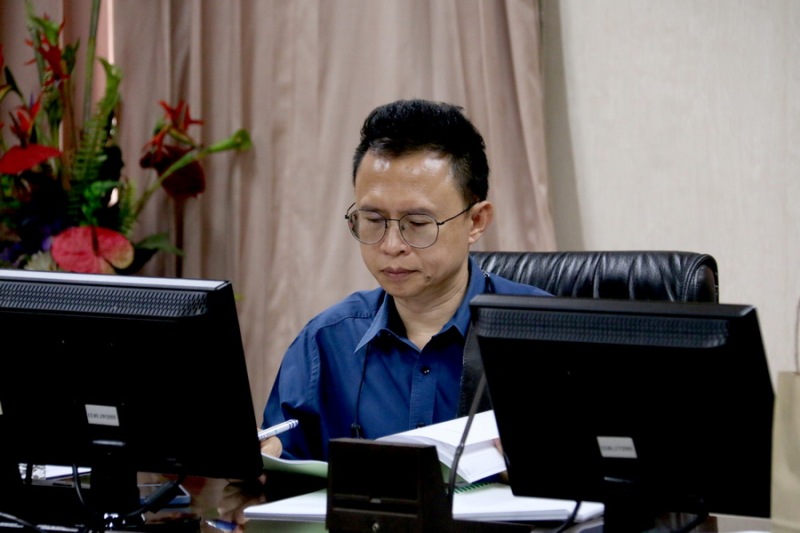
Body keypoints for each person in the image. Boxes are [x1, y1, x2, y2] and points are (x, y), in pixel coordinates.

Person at [260, 98, 549, 461]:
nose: (391, 245)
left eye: (417, 223)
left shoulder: (542, 334)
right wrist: (264, 462)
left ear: (476, 221)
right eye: (373, 220)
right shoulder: (327, 340)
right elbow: (280, 458)